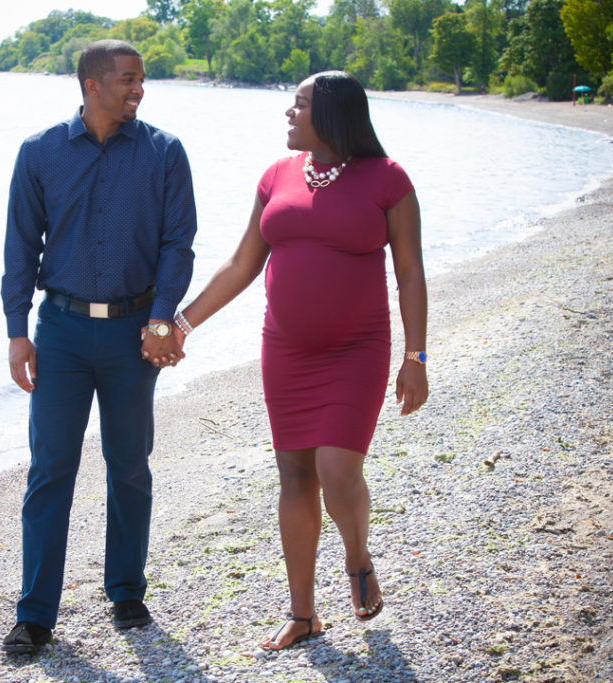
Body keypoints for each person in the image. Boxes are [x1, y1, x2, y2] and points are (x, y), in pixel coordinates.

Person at [172, 71, 428, 650]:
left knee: (337, 470)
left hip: (357, 349)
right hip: (286, 350)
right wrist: (182, 324)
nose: (289, 113)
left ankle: (357, 555)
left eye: (301, 104)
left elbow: (409, 272)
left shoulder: (388, 180)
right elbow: (241, 265)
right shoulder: (275, 176)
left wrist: (416, 355)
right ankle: (303, 613)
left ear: (333, 114)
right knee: (294, 476)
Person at [0, 39, 196, 654]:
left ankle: (126, 592)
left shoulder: (164, 152)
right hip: (58, 331)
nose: (139, 89)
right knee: (50, 468)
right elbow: (19, 247)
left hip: (132, 331)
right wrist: (16, 331)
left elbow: (177, 242)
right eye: (128, 79)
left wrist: (163, 319)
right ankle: (35, 613)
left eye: (141, 80)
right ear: (92, 84)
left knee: (130, 466)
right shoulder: (40, 153)